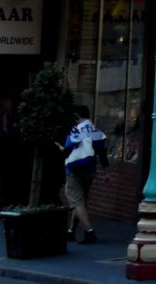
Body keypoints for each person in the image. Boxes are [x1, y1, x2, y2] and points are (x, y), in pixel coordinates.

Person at [63, 105, 108, 244]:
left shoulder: (76, 130)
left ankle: (89, 231)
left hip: (75, 170)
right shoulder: (96, 131)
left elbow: (67, 149)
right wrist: (107, 173)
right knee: (81, 201)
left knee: (76, 201)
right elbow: (102, 154)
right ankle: (71, 231)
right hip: (90, 171)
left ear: (77, 116)